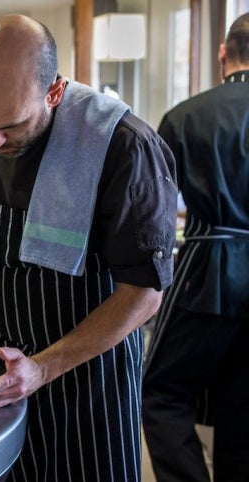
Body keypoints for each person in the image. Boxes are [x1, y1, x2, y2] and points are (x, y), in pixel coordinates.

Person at [0, 15, 177, 481]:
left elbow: (145, 293)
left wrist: (44, 368)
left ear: (54, 92)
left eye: (9, 126)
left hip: (90, 385)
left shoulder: (123, 147)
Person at [142, 12, 249, 482]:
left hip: (206, 269)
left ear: (223, 53)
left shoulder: (186, 116)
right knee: (242, 404)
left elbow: (155, 213)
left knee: (161, 391)